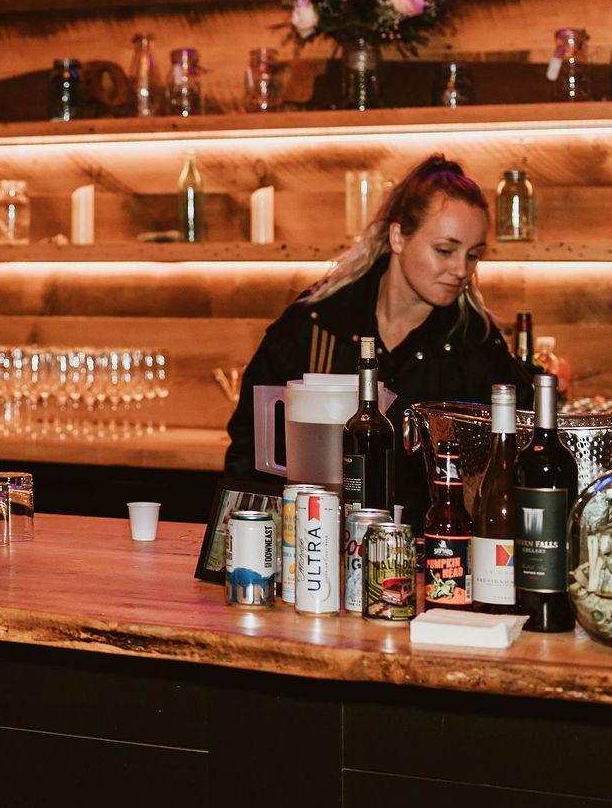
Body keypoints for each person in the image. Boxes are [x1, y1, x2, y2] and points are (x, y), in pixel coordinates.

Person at [222, 154, 532, 530]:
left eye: (473, 255)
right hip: (316, 546)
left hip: (431, 553)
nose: (461, 270)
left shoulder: (476, 343)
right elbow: (249, 445)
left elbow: (517, 454)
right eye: (445, 250)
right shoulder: (319, 324)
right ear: (398, 236)